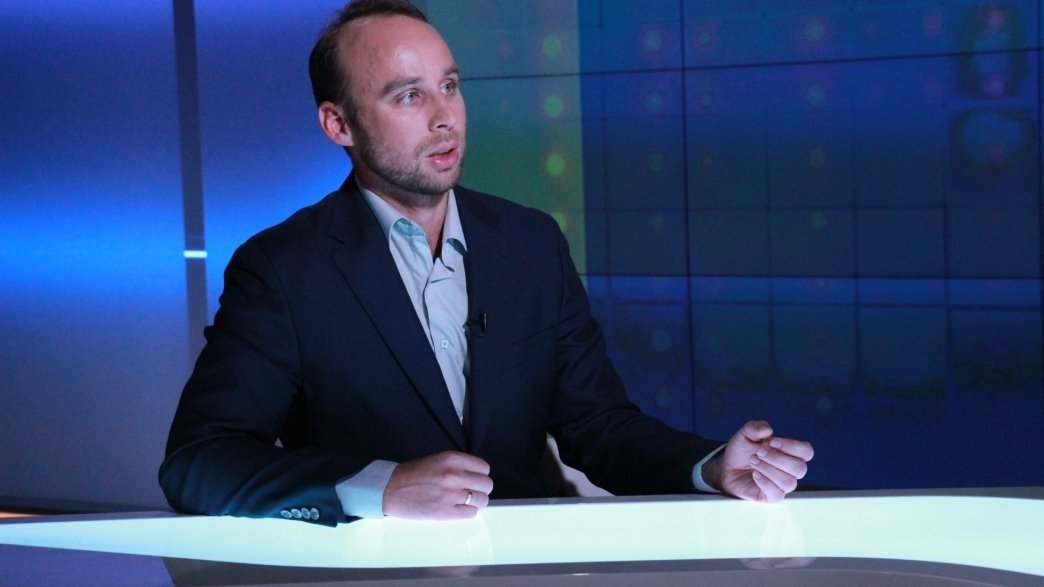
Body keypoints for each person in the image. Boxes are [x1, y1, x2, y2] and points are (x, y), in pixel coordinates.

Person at [159, 0, 814, 527]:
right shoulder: (283, 269)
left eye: (449, 86)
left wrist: (708, 466)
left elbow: (598, 427)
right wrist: (380, 487)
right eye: (409, 97)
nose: (445, 117)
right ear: (339, 125)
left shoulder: (531, 243)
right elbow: (198, 461)